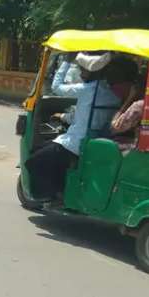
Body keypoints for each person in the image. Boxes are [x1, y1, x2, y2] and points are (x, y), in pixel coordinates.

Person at [25, 51, 120, 201]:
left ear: (92, 72)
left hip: (74, 144)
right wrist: (63, 117)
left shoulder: (86, 89)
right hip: (92, 142)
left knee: (33, 160)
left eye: (83, 70)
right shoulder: (111, 94)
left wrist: (67, 61)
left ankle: (47, 196)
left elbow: (56, 87)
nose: (81, 73)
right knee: (44, 151)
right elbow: (86, 116)